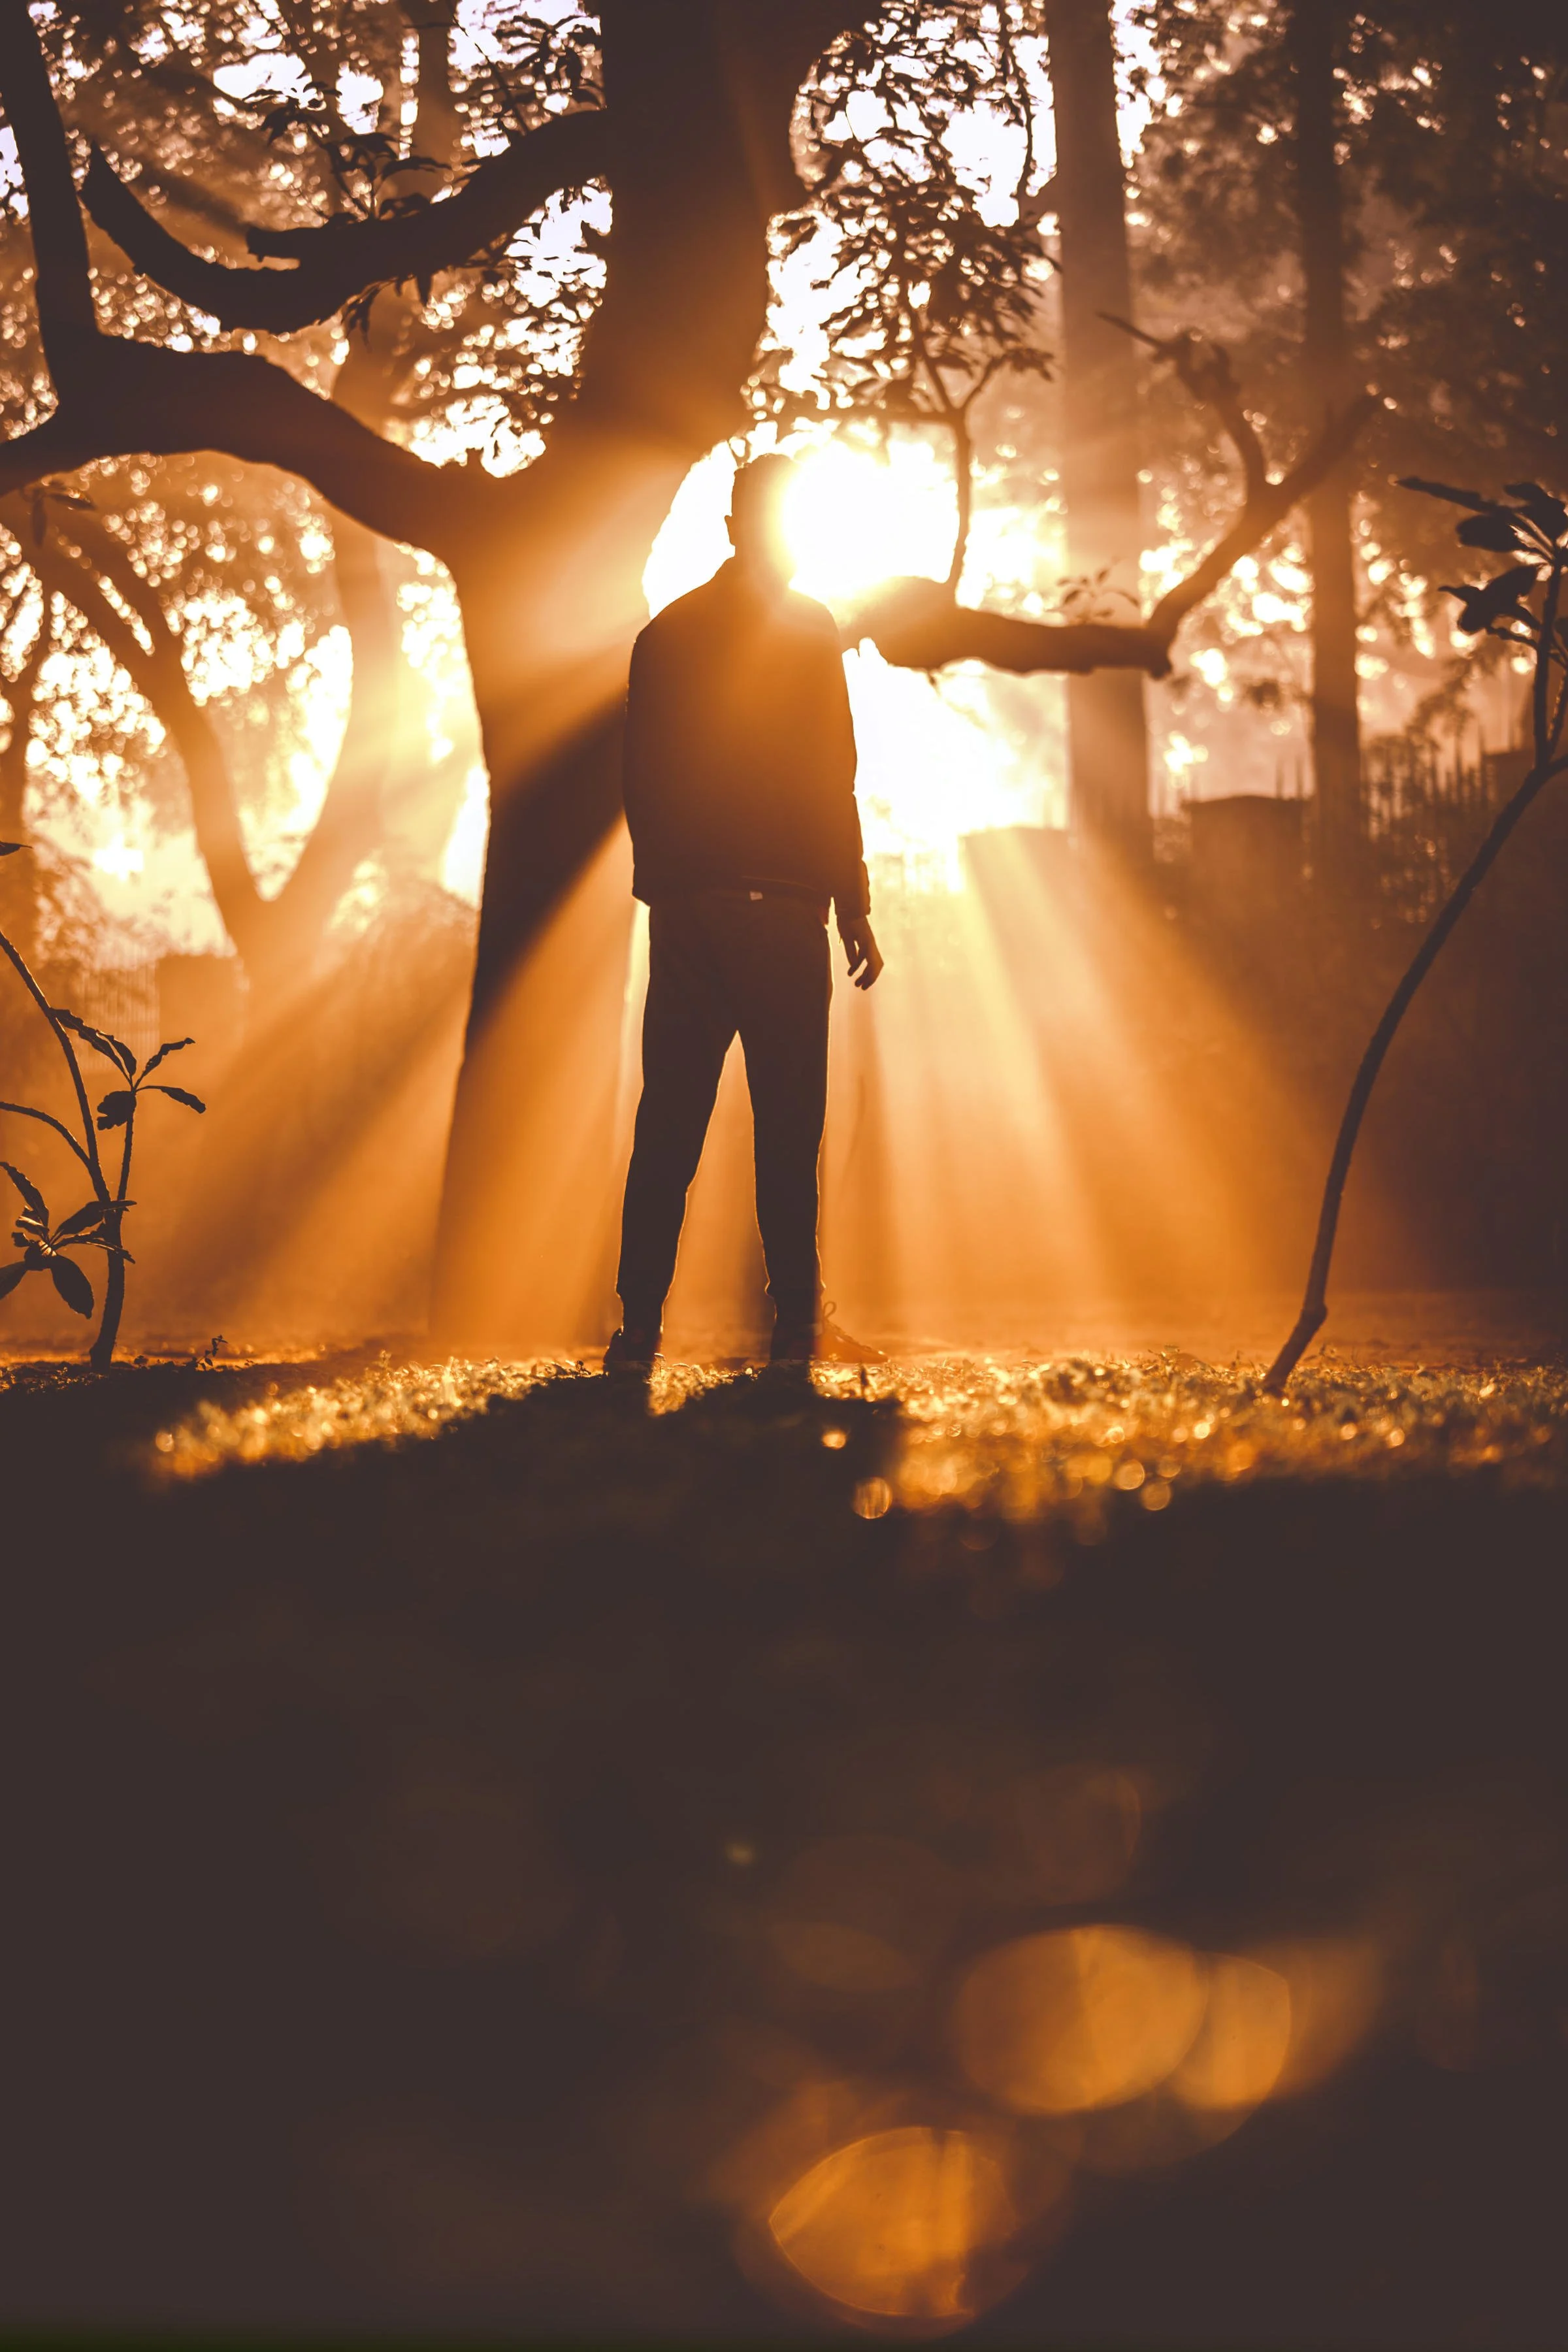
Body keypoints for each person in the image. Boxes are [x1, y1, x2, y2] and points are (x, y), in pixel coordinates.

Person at [604, 453, 883, 1373]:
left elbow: (639, 775)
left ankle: (638, 1326)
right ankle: (795, 1326)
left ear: (730, 528)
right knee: (788, 1126)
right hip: (782, 910)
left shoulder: (667, 634)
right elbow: (832, 778)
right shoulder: (808, 632)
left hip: (691, 911)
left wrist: (669, 888)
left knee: (670, 1124)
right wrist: (853, 902)